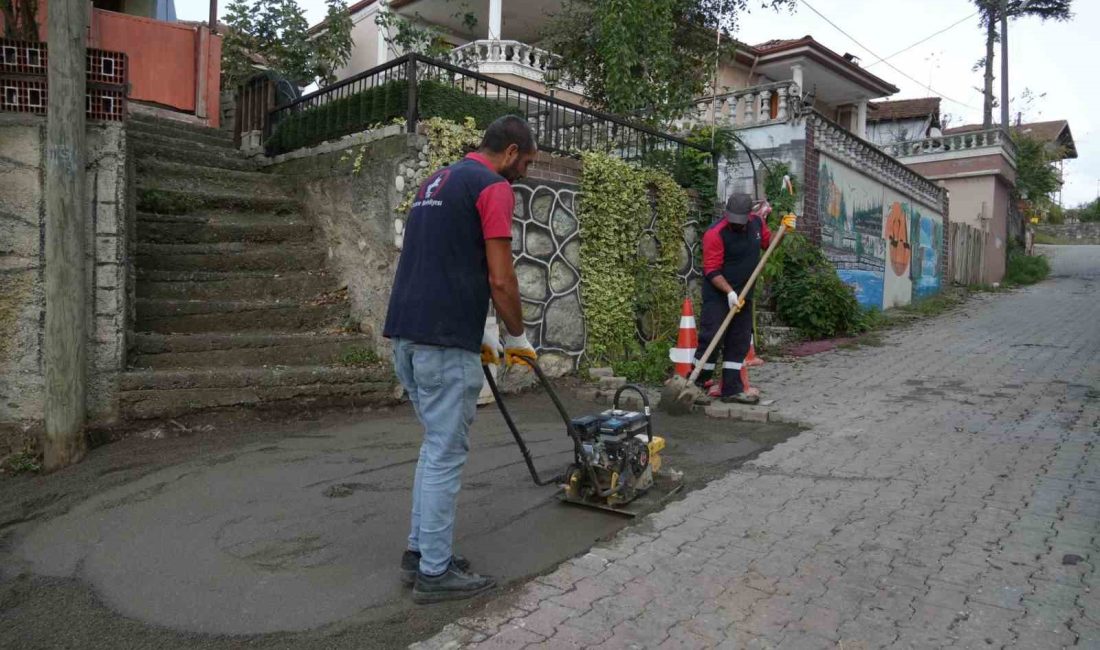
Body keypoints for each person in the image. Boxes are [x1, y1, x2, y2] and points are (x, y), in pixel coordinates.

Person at [383, 115, 538, 604]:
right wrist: (517, 335)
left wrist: (484, 332)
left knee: (434, 450)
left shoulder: (436, 180)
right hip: (444, 343)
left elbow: (444, 259)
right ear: (511, 152)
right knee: (446, 456)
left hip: (407, 336)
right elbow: (500, 278)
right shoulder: (492, 187)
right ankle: (434, 572)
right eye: (527, 163)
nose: (525, 174)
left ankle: (420, 553)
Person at [696, 193, 795, 404]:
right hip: (718, 294)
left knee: (739, 342)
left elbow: (769, 245)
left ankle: (731, 390)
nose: (737, 225)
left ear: (749, 215)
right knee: (711, 338)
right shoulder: (715, 233)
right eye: (733, 221)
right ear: (726, 214)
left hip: (745, 294)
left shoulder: (757, 223)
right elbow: (711, 269)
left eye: (741, 221)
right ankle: (696, 385)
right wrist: (729, 292)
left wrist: (783, 231)